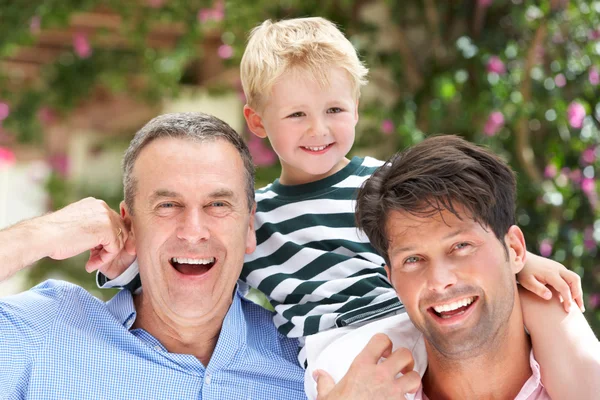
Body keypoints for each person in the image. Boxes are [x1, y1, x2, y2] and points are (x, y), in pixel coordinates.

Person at [97, 17, 586, 399]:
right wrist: (120, 262)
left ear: (355, 106)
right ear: (258, 120)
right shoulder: (252, 219)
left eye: (334, 110)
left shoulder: (387, 185)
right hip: (333, 347)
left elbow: (464, 239)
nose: (319, 131)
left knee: (504, 327)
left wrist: (526, 266)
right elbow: (186, 274)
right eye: (297, 115)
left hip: (408, 317)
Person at [0, 113, 306, 399]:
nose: (193, 230)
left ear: (249, 225)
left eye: (218, 204)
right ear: (129, 224)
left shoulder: (308, 361)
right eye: (168, 205)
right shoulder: (47, 332)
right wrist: (40, 234)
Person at [314, 135, 600, 399]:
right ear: (391, 279)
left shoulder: (573, 369)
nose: (439, 281)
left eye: (461, 246)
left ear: (515, 250)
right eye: (412, 259)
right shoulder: (351, 380)